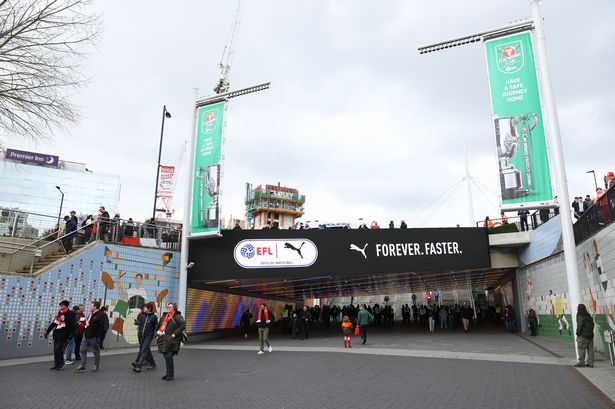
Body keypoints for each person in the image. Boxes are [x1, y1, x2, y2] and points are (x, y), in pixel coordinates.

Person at [156, 303, 185, 380]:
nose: (168, 308)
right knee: (166, 357)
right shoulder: (165, 316)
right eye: (168, 307)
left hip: (172, 340)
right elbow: (159, 325)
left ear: (174, 308)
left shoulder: (177, 316)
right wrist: (156, 334)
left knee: (168, 357)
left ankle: (170, 374)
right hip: (163, 339)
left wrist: (174, 334)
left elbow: (182, 325)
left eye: (170, 307)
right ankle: (168, 373)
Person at [74, 301, 104, 372]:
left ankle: (96, 365)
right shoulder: (91, 314)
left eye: (91, 306)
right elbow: (88, 323)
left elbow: (101, 327)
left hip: (93, 336)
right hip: (86, 335)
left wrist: (97, 336)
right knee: (82, 349)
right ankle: (82, 365)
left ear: (95, 307)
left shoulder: (100, 314)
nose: (90, 307)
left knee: (96, 351)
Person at [45, 300, 76, 370]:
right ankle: (56, 364)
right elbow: (54, 323)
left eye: (62, 305)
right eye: (60, 305)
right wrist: (47, 331)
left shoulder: (70, 313)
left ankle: (61, 363)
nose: (60, 307)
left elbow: (72, 325)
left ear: (65, 305)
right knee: (55, 350)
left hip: (64, 334)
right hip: (57, 333)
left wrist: (71, 334)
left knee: (58, 349)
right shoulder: (59, 313)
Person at [133, 302, 158, 372]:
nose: (144, 308)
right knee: (146, 350)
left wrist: (156, 335)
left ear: (149, 308)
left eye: (145, 307)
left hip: (149, 336)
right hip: (141, 335)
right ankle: (153, 363)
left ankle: (138, 365)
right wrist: (136, 323)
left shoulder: (154, 317)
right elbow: (139, 322)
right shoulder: (141, 315)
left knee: (144, 350)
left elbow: (156, 326)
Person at [575, 304, 595, 368]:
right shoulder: (588, 315)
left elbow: (579, 325)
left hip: (583, 336)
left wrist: (578, 334)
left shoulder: (580, 315)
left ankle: (581, 363)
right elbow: (592, 324)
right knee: (590, 350)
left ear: (578, 309)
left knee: (581, 349)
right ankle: (591, 363)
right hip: (590, 335)